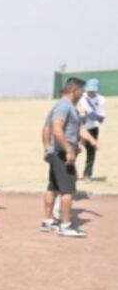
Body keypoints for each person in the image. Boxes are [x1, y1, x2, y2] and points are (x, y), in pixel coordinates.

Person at [41, 77, 91, 237]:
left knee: (53, 187)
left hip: (57, 152)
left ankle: (48, 222)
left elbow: (46, 128)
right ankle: (66, 225)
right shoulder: (64, 106)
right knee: (68, 189)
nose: (82, 94)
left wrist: (48, 148)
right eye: (81, 91)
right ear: (74, 90)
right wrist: (69, 150)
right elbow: (56, 129)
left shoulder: (62, 106)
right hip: (62, 154)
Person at [77, 77, 106, 181]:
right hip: (80, 128)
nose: (91, 92)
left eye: (93, 90)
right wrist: (83, 114)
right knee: (75, 150)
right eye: (89, 90)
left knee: (91, 153)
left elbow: (102, 118)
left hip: (93, 128)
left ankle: (87, 175)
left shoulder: (102, 100)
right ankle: (72, 174)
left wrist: (95, 116)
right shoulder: (81, 98)